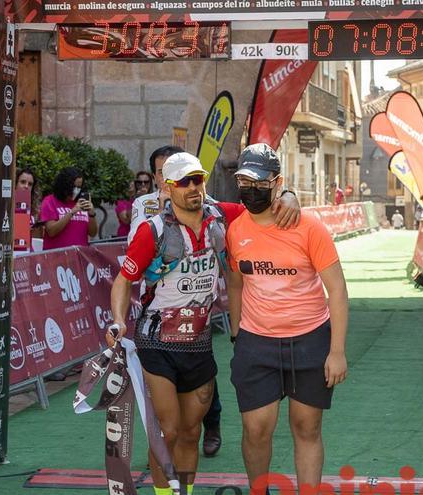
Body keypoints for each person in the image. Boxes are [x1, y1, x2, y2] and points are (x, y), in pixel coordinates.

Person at [106, 152, 298, 494]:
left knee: (192, 432)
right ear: (168, 187)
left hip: (199, 342)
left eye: (198, 179)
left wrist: (288, 195)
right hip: (157, 341)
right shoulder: (154, 231)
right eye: (184, 182)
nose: (194, 188)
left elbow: (265, 204)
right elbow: (124, 280)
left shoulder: (220, 216)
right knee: (170, 430)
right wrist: (119, 321)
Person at [226, 143, 348, 494]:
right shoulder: (236, 229)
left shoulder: (309, 228)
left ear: (276, 182)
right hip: (255, 342)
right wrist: (237, 335)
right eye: (243, 181)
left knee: (306, 427)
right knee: (256, 429)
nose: (250, 189)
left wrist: (336, 351)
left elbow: (337, 290)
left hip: (310, 340)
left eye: (259, 182)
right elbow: (235, 282)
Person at [39, 167, 98, 250]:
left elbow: (92, 233)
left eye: (79, 187)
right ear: (65, 185)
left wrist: (92, 214)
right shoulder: (49, 201)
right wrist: (72, 212)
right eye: (74, 187)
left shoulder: (81, 202)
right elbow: (51, 231)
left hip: (79, 258)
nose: (76, 190)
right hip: (57, 258)